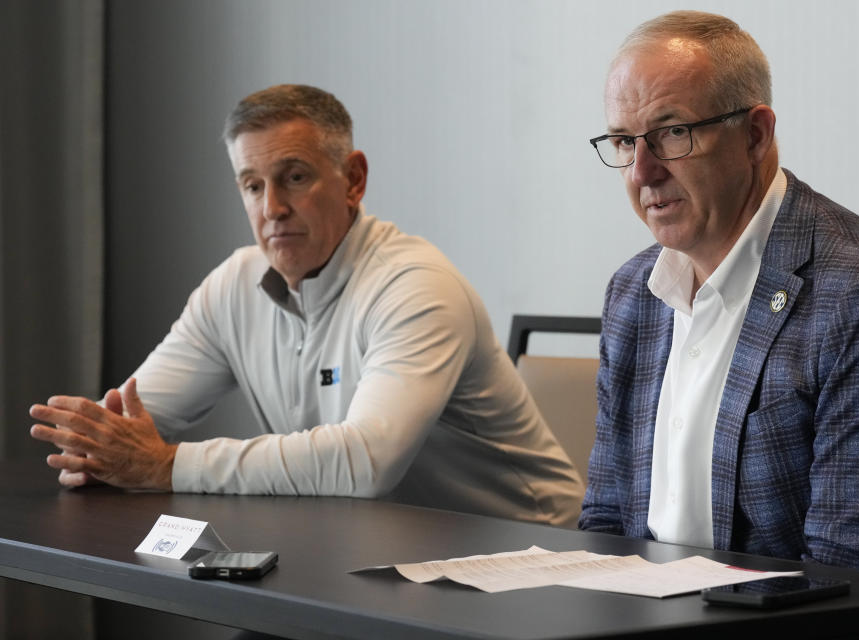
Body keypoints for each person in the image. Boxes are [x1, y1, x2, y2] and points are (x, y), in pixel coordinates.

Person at [29, 84, 583, 527]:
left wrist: (165, 464)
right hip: (369, 557)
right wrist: (99, 452)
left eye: (294, 178)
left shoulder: (417, 285)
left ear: (353, 180)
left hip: (525, 565)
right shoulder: (233, 286)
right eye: (251, 185)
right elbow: (131, 426)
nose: (272, 208)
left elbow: (367, 463)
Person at [579, 10, 859, 583]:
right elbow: (607, 522)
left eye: (672, 133)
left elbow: (854, 577)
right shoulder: (634, 294)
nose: (643, 171)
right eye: (624, 141)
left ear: (755, 135)